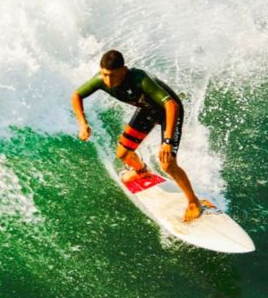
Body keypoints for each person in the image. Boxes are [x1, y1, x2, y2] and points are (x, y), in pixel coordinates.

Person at [71, 50, 203, 222]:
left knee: (167, 163)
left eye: (112, 75)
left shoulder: (140, 79)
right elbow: (77, 95)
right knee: (123, 154)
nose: (108, 81)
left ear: (124, 70)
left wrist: (167, 142)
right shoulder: (101, 81)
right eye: (104, 75)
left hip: (169, 112)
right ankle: (141, 171)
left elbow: (170, 105)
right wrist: (83, 123)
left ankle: (194, 202)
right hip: (148, 110)